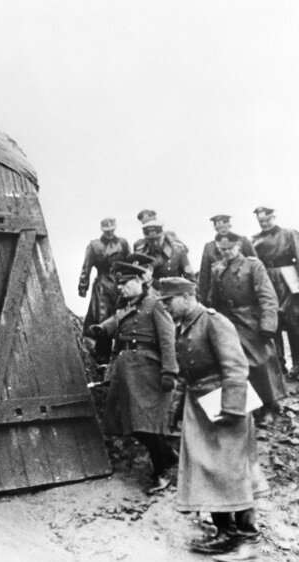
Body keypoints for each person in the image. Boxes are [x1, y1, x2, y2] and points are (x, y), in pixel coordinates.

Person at [159, 278, 269, 561]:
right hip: (200, 407)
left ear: (186, 296)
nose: (166, 307)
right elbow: (185, 374)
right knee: (208, 471)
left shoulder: (214, 322)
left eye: (169, 301)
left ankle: (248, 540)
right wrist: (174, 413)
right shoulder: (184, 326)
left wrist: (232, 409)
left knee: (233, 471)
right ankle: (225, 533)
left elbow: (235, 367)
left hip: (225, 406)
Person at [86, 262, 179, 494]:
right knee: (129, 421)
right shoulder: (126, 306)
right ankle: (168, 456)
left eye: (126, 283)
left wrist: (169, 371)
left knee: (145, 423)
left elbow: (168, 340)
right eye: (119, 284)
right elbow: (117, 331)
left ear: (139, 281)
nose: (121, 288)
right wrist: (102, 331)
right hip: (126, 370)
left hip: (147, 370)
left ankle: (161, 472)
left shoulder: (154, 305)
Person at [209, 232, 285, 426]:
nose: (226, 252)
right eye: (222, 249)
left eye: (230, 248)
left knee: (260, 363)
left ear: (238, 246)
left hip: (251, 320)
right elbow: (214, 300)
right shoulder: (217, 269)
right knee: (234, 364)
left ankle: (270, 405)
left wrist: (268, 324)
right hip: (228, 321)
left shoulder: (253, 266)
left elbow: (267, 296)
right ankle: (249, 406)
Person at [252, 206, 299, 377]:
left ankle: (298, 364)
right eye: (261, 221)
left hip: (288, 281)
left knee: (294, 322)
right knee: (273, 321)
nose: (264, 224)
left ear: (274, 217)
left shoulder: (289, 234)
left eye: (267, 220)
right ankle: (279, 364)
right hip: (267, 280)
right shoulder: (255, 239)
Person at [79, 218, 130, 362]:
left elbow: (130, 264)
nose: (109, 233)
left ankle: (121, 354)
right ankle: (102, 357)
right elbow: (86, 267)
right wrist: (83, 287)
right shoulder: (94, 246)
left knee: (123, 316)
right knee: (102, 319)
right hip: (102, 287)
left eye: (112, 230)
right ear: (102, 230)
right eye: (107, 231)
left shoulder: (123, 243)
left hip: (120, 285)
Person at [199, 215, 257, 306]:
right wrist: (203, 300)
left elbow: (255, 268)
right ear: (215, 228)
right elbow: (204, 276)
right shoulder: (209, 247)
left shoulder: (243, 241)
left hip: (242, 293)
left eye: (225, 227)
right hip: (219, 294)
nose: (222, 231)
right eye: (219, 228)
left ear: (230, 226)